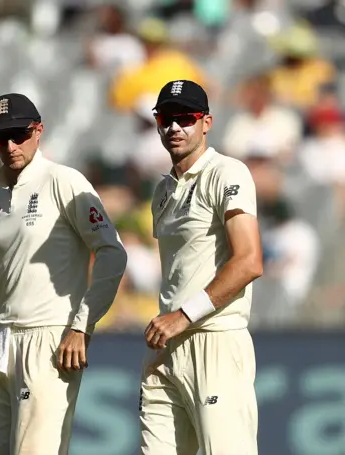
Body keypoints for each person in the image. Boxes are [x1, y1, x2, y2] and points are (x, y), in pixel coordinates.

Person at [0, 93, 128, 454]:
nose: (12, 145)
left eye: (20, 134)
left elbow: (112, 253)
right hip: (1, 342)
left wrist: (82, 325)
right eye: (1, 138)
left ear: (39, 130)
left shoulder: (65, 182)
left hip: (49, 339)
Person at [140, 80, 263, 455]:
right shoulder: (162, 192)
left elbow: (249, 261)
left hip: (215, 339)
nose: (174, 128)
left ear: (206, 122)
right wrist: (173, 320)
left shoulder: (228, 172)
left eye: (185, 118)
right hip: (165, 346)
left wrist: (184, 315)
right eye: (165, 119)